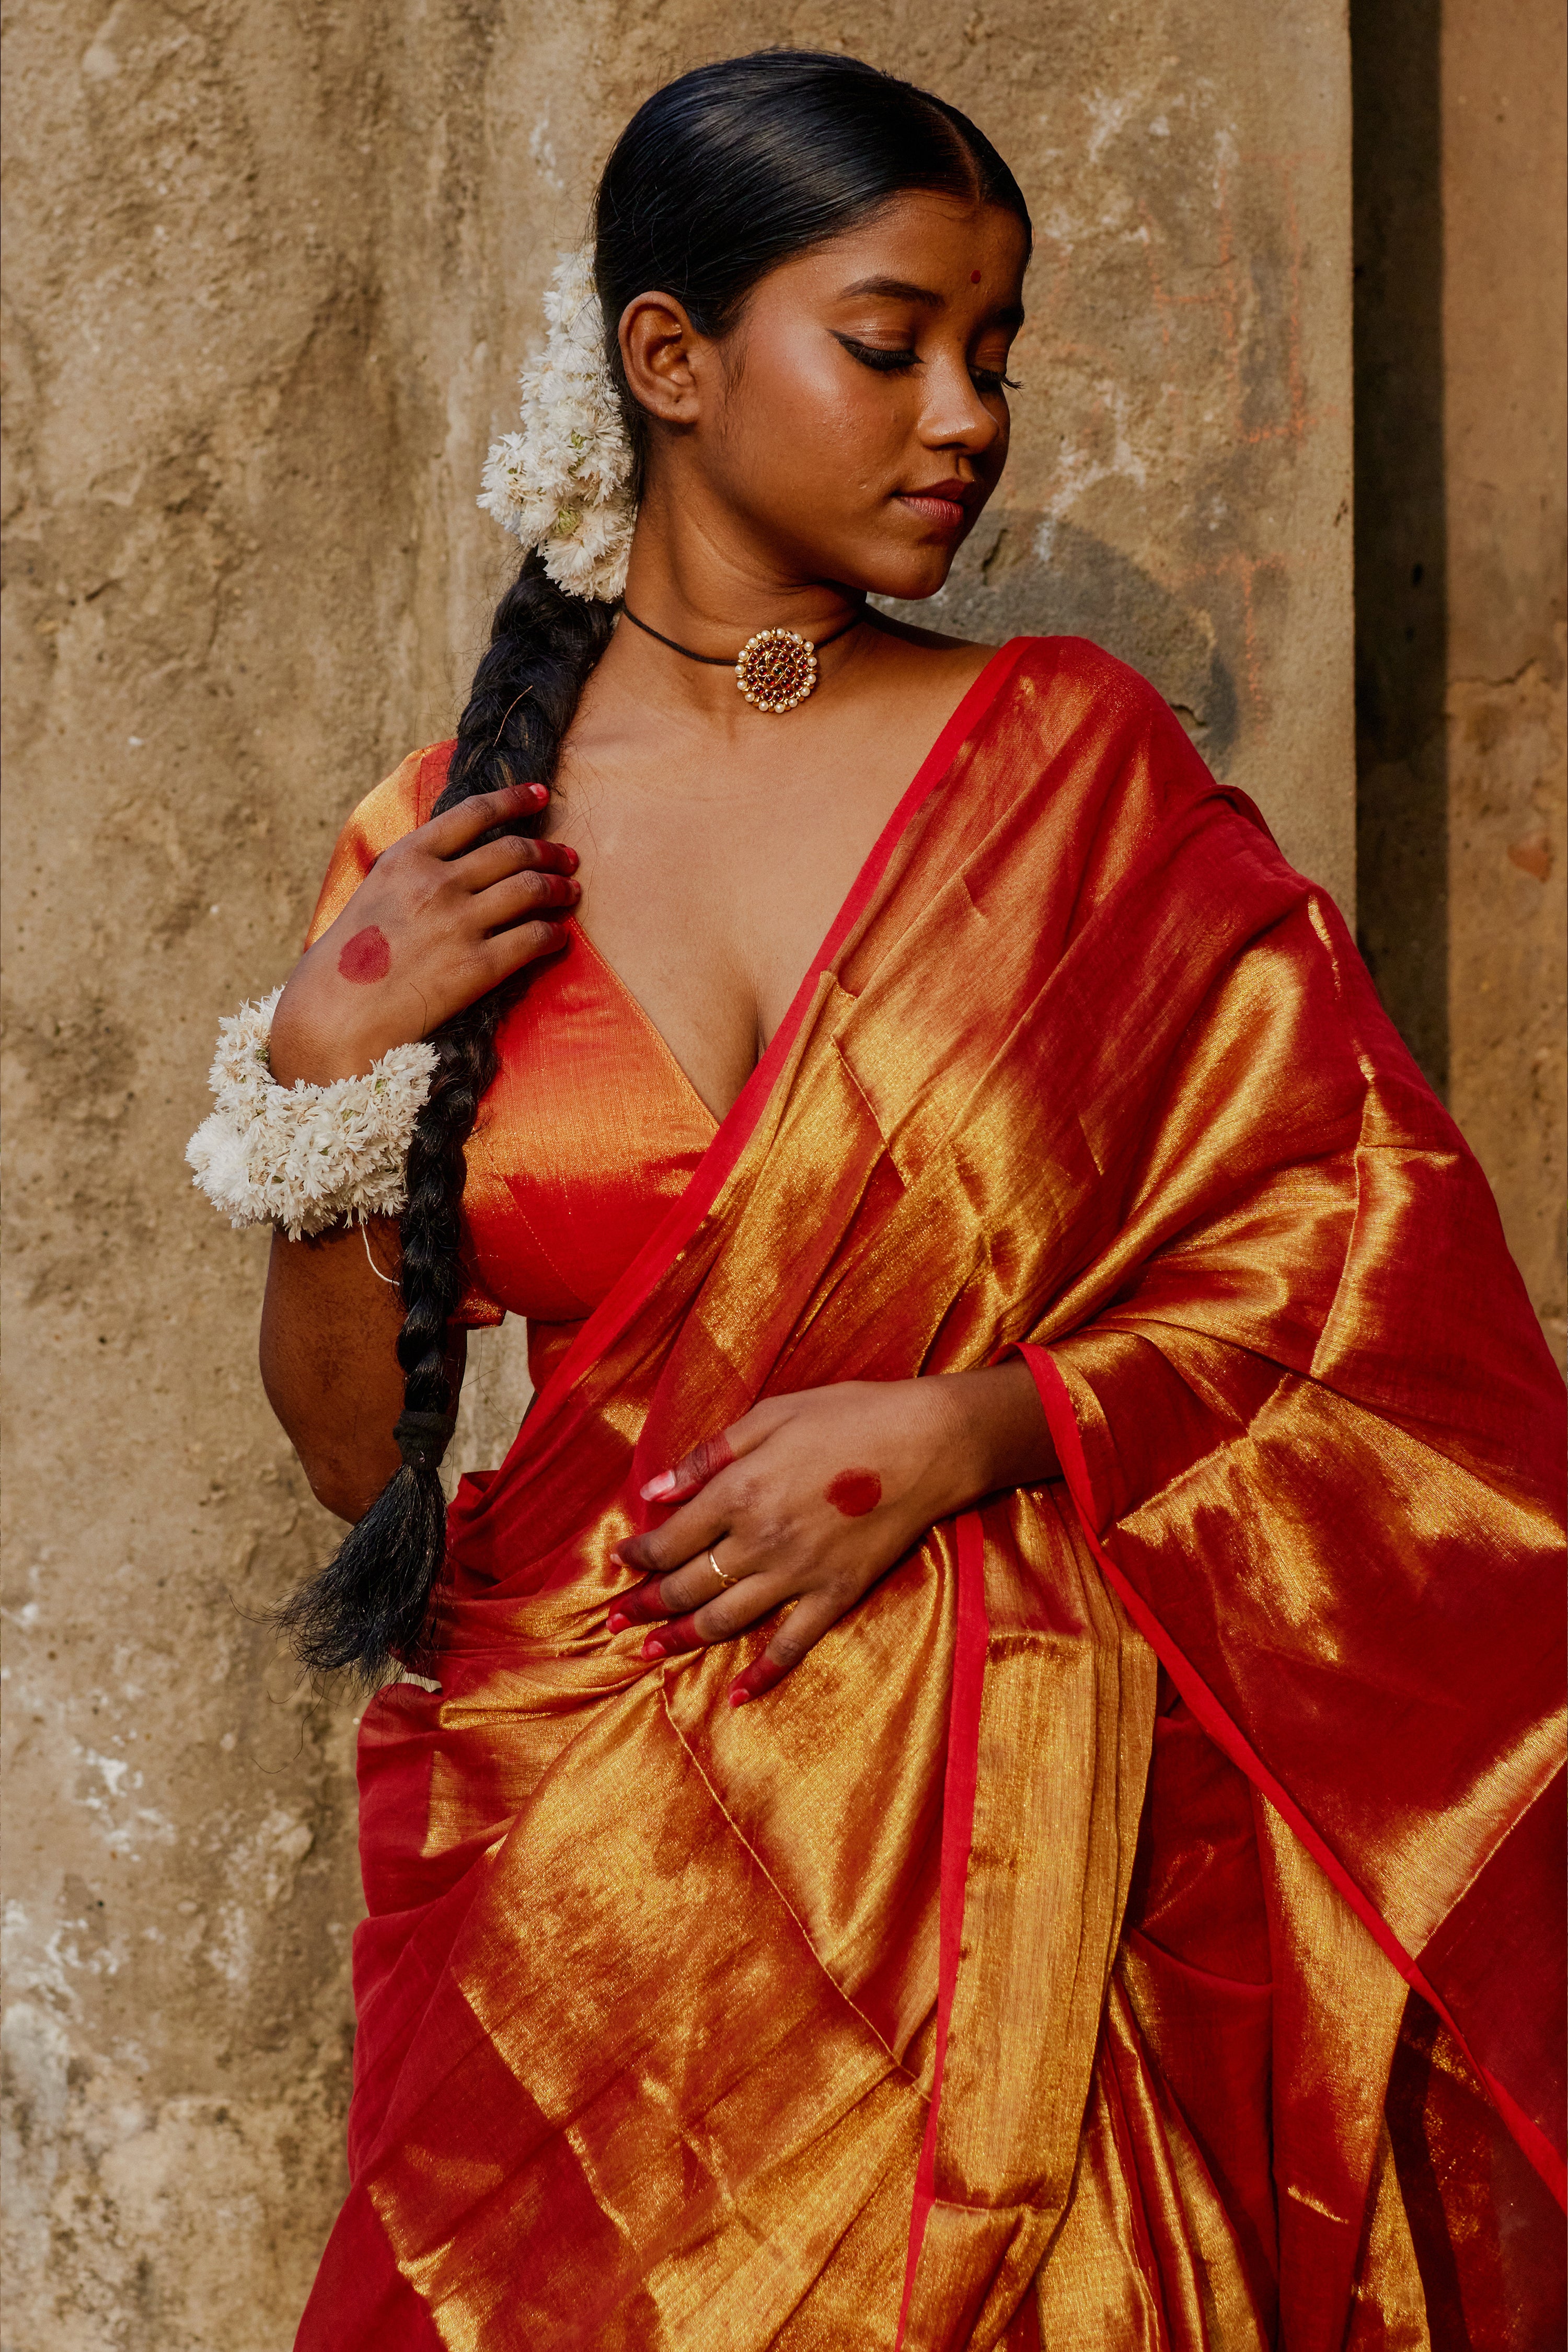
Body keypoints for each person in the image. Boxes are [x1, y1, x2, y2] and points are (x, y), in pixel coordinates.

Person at [188, 50, 1565, 2349]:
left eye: (994, 354)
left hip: (1027, 1876)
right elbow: (360, 1464)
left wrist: (980, 1428)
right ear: (672, 358)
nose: (967, 416)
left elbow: (1345, 1251)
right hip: (587, 1893)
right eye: (893, 338)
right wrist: (327, 1063)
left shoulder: (1068, 768)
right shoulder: (442, 845)